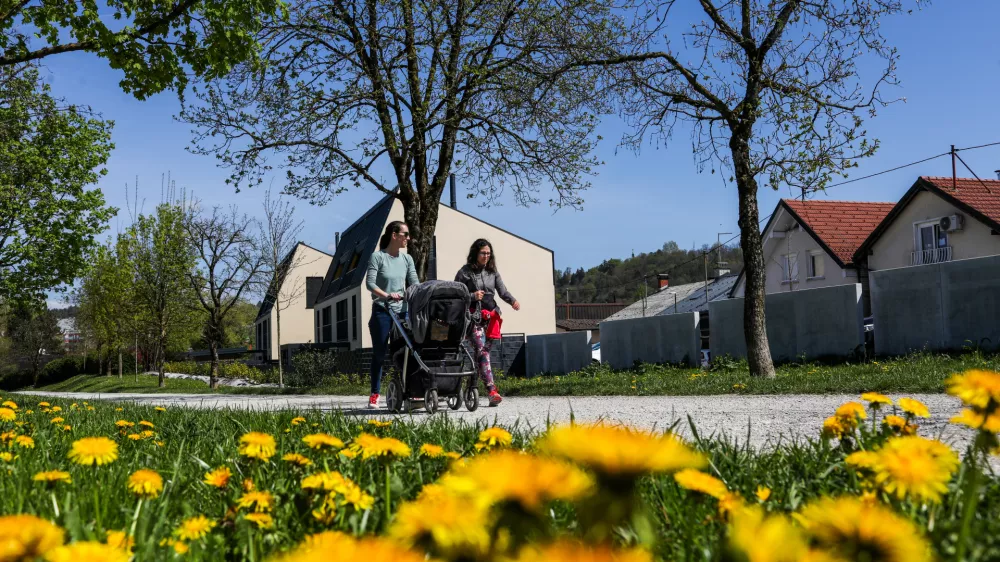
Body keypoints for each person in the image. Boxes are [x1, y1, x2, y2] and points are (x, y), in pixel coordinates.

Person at [454, 239, 520, 406]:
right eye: (483, 253)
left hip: (491, 317)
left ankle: (472, 385)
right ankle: (491, 390)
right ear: (475, 253)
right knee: (482, 352)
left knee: (481, 354)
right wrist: (472, 296)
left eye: (488, 253)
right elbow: (456, 295)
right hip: (472, 318)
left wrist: (512, 301)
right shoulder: (464, 272)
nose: (486, 256)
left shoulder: (493, 272)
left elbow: (502, 291)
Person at [366, 221, 419, 409]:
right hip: (382, 310)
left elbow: (414, 282)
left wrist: (415, 293)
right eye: (405, 234)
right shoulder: (377, 257)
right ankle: (375, 393)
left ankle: (410, 393)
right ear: (394, 235)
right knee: (379, 354)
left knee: (407, 353)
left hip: (402, 312)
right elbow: (370, 284)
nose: (408, 238)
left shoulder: (407, 259)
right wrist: (387, 295)